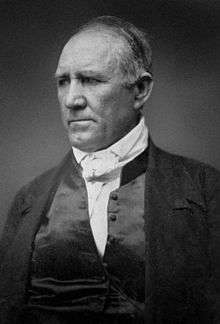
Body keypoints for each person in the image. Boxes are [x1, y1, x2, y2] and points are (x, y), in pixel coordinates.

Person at [0, 16, 219, 324]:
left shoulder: (205, 191)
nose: (72, 100)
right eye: (63, 82)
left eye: (90, 80)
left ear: (140, 90)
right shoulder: (28, 201)